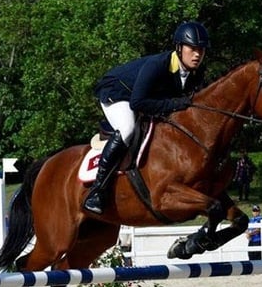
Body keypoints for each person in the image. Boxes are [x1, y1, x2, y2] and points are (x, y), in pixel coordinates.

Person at [83, 21, 211, 214]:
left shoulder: (196, 72)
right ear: (179, 47)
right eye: (192, 49)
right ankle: (97, 191)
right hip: (118, 92)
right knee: (127, 129)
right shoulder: (158, 66)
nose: (197, 54)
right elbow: (138, 103)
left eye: (201, 50)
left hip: (143, 96)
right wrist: (175, 104)